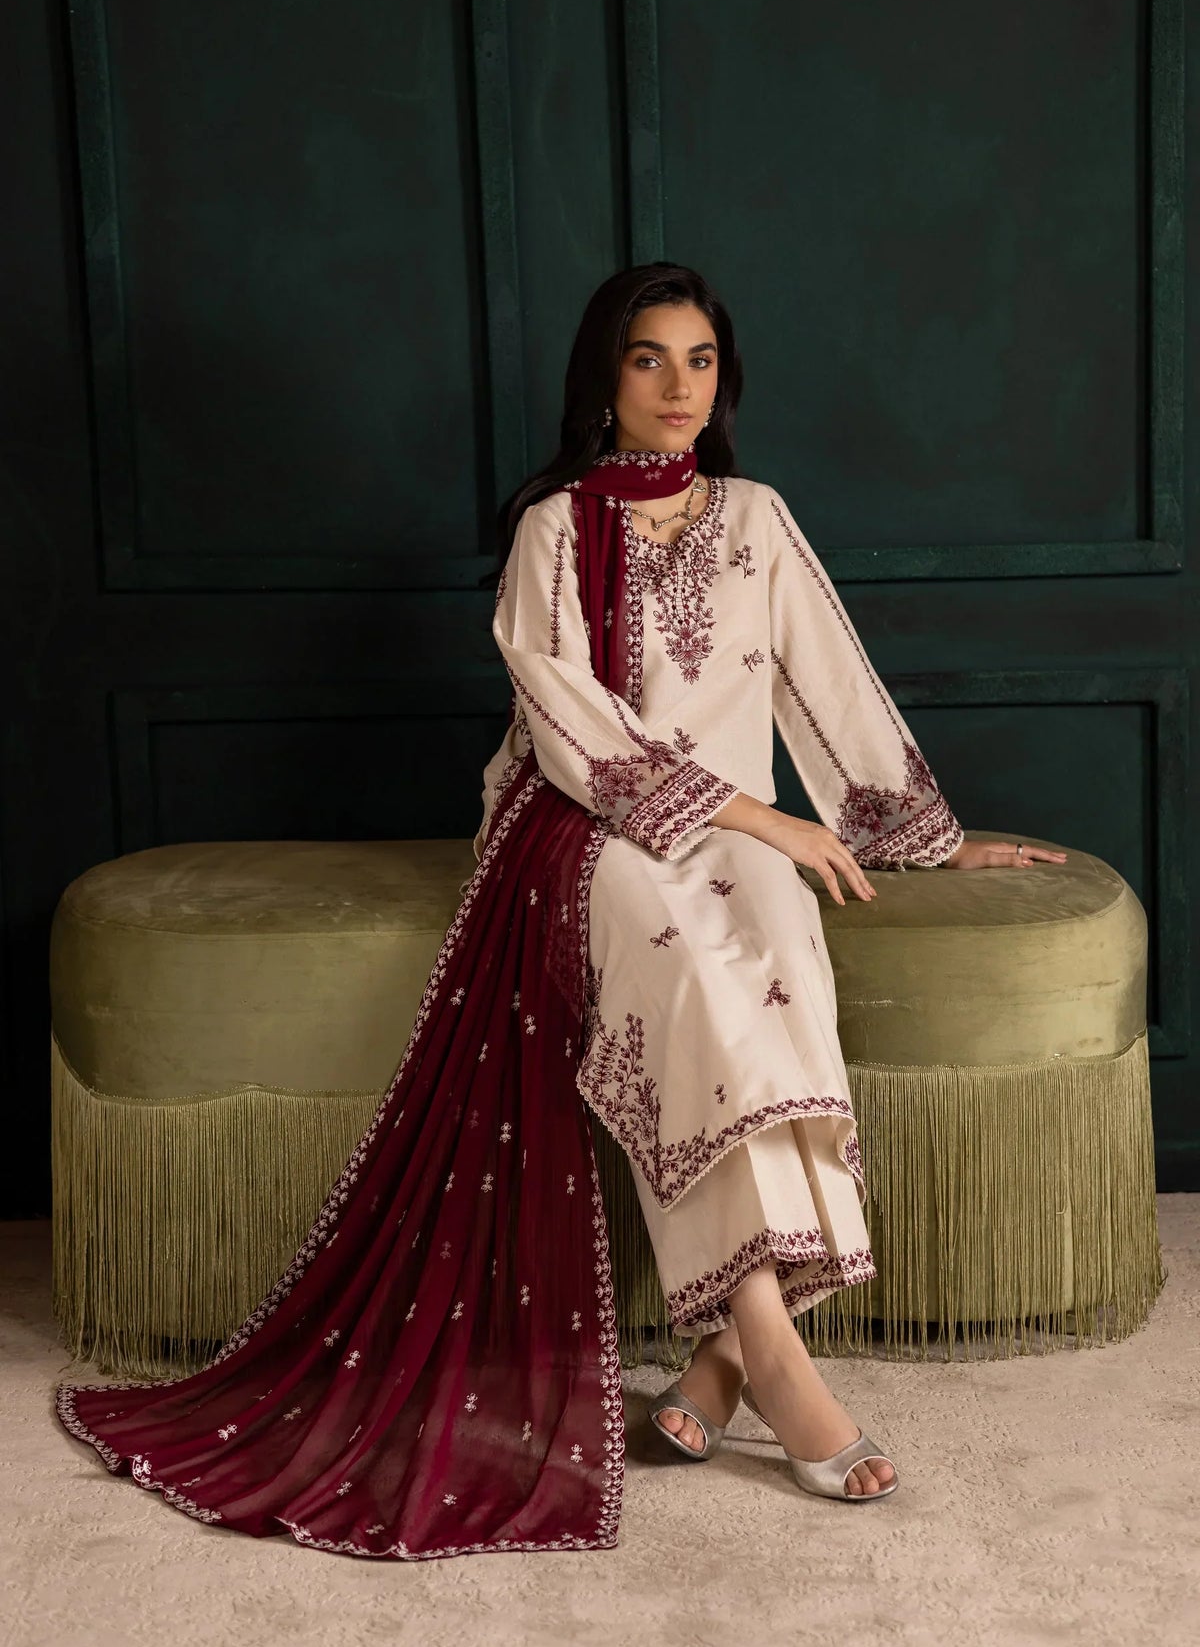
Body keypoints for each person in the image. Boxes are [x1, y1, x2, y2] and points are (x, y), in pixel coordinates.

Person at [54, 261, 1067, 1553]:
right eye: (650, 359)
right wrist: (763, 819)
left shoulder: (757, 517)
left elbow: (830, 686)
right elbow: (571, 729)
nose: (679, 387)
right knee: (690, 972)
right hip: (585, 824)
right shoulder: (556, 528)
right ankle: (771, 1347)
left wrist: (928, 836)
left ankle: (718, 1365)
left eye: (701, 360)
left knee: (786, 962)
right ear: (605, 376)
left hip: (741, 828)